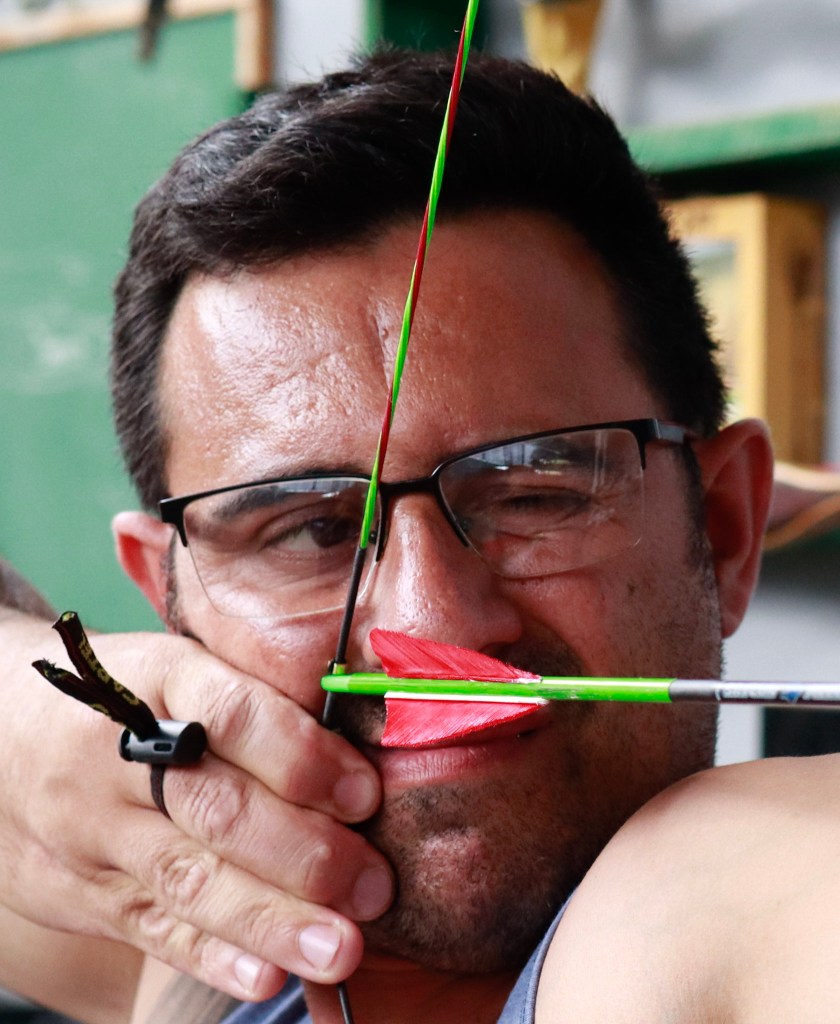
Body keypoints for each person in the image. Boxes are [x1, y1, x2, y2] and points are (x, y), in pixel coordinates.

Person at [0, 48, 780, 1023]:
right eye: (310, 528)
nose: (433, 622)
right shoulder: (193, 945)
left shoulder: (750, 890)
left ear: (724, 527)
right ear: (172, 597)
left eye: (531, 494)